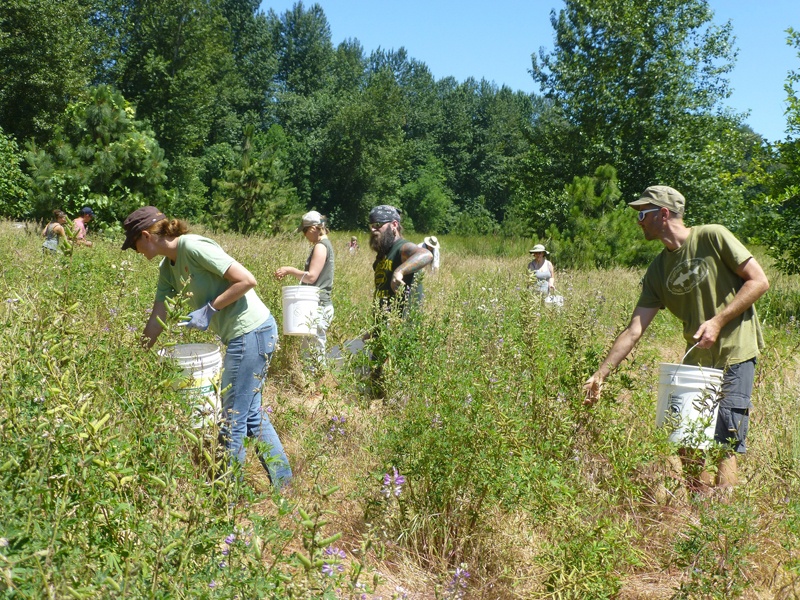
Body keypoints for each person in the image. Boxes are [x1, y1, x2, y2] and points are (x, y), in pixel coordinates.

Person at [583, 185, 769, 489]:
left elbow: (759, 281)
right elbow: (634, 329)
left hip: (736, 352)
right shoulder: (658, 268)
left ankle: (721, 525)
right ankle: (699, 513)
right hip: (696, 362)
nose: (638, 220)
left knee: (725, 443)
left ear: (663, 214)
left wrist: (718, 321)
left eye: (643, 213)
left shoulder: (712, 236)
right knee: (687, 442)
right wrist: (601, 374)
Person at [121, 206, 291, 489]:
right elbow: (157, 317)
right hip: (243, 335)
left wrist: (210, 309)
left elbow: (247, 280)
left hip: (252, 332)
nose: (135, 252)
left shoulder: (193, 246)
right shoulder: (168, 268)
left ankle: (230, 499)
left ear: (146, 235)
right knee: (250, 415)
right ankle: (284, 485)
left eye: (134, 245)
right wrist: (135, 355)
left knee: (231, 419)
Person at [275, 211, 335, 361]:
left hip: (319, 306)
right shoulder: (323, 245)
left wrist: (289, 270)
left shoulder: (320, 247)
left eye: (304, 231)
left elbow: (311, 276)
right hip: (317, 305)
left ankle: (317, 382)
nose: (304, 235)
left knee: (314, 353)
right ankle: (312, 380)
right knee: (311, 351)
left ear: (314, 228)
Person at [369, 205, 432, 316]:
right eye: (371, 225)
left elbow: (426, 254)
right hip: (384, 328)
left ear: (394, 225)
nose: (373, 229)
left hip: (402, 328)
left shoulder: (402, 248)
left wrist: (400, 271)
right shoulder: (382, 256)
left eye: (378, 225)